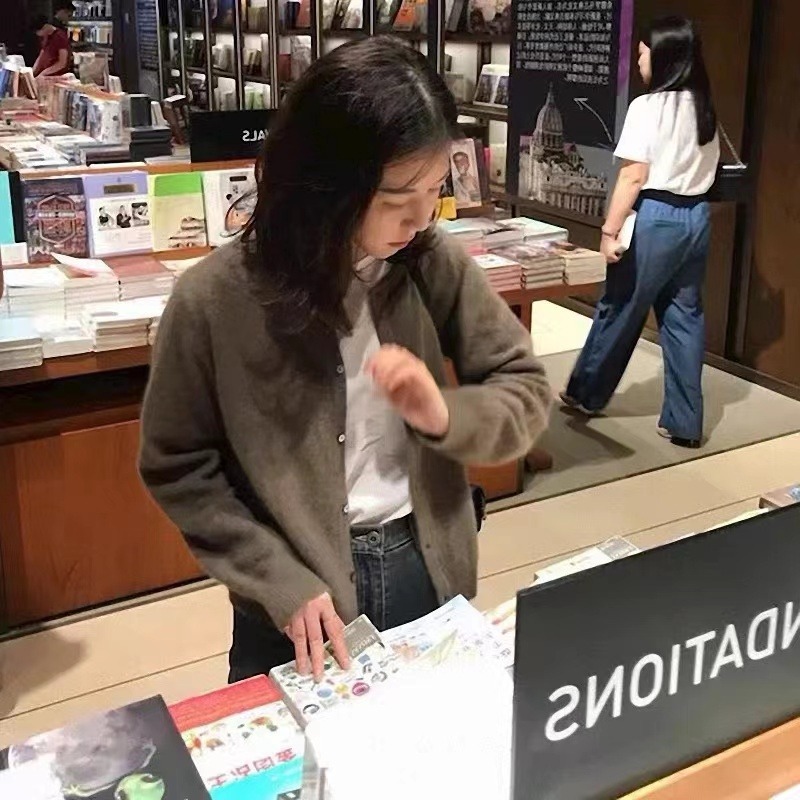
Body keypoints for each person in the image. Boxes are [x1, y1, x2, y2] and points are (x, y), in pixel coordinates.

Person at [138, 36, 552, 684]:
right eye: (397, 198)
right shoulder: (213, 299)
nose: (422, 217)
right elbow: (177, 464)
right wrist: (276, 577)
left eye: (435, 189)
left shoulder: (427, 260)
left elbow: (522, 385)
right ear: (327, 184)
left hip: (426, 565)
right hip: (294, 606)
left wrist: (447, 416)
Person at [561, 15, 720, 449]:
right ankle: (685, 423)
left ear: (664, 56)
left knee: (620, 306)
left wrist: (608, 231)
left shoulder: (648, 108)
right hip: (696, 218)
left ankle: (585, 393)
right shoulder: (704, 106)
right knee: (684, 318)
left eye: (643, 53)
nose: (638, 62)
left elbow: (633, 176)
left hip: (656, 217)